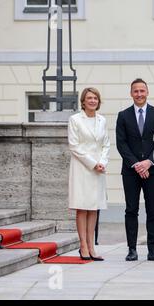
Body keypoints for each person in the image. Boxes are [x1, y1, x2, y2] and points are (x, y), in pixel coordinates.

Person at [116, 78, 154, 261]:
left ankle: (153, 250)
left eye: (142, 91)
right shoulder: (123, 115)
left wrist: (148, 162)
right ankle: (132, 249)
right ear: (131, 93)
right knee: (131, 209)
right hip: (130, 171)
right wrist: (137, 164)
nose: (139, 94)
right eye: (135, 91)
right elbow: (121, 144)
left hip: (152, 171)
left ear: (147, 92)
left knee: (152, 210)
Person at [68, 87, 110, 261]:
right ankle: (83, 245)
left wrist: (102, 162)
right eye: (89, 98)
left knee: (94, 207)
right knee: (82, 206)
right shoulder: (75, 119)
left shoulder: (102, 120)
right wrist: (93, 164)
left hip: (99, 169)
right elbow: (74, 146)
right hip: (82, 168)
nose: (92, 101)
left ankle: (92, 246)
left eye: (95, 98)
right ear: (83, 101)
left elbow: (106, 144)